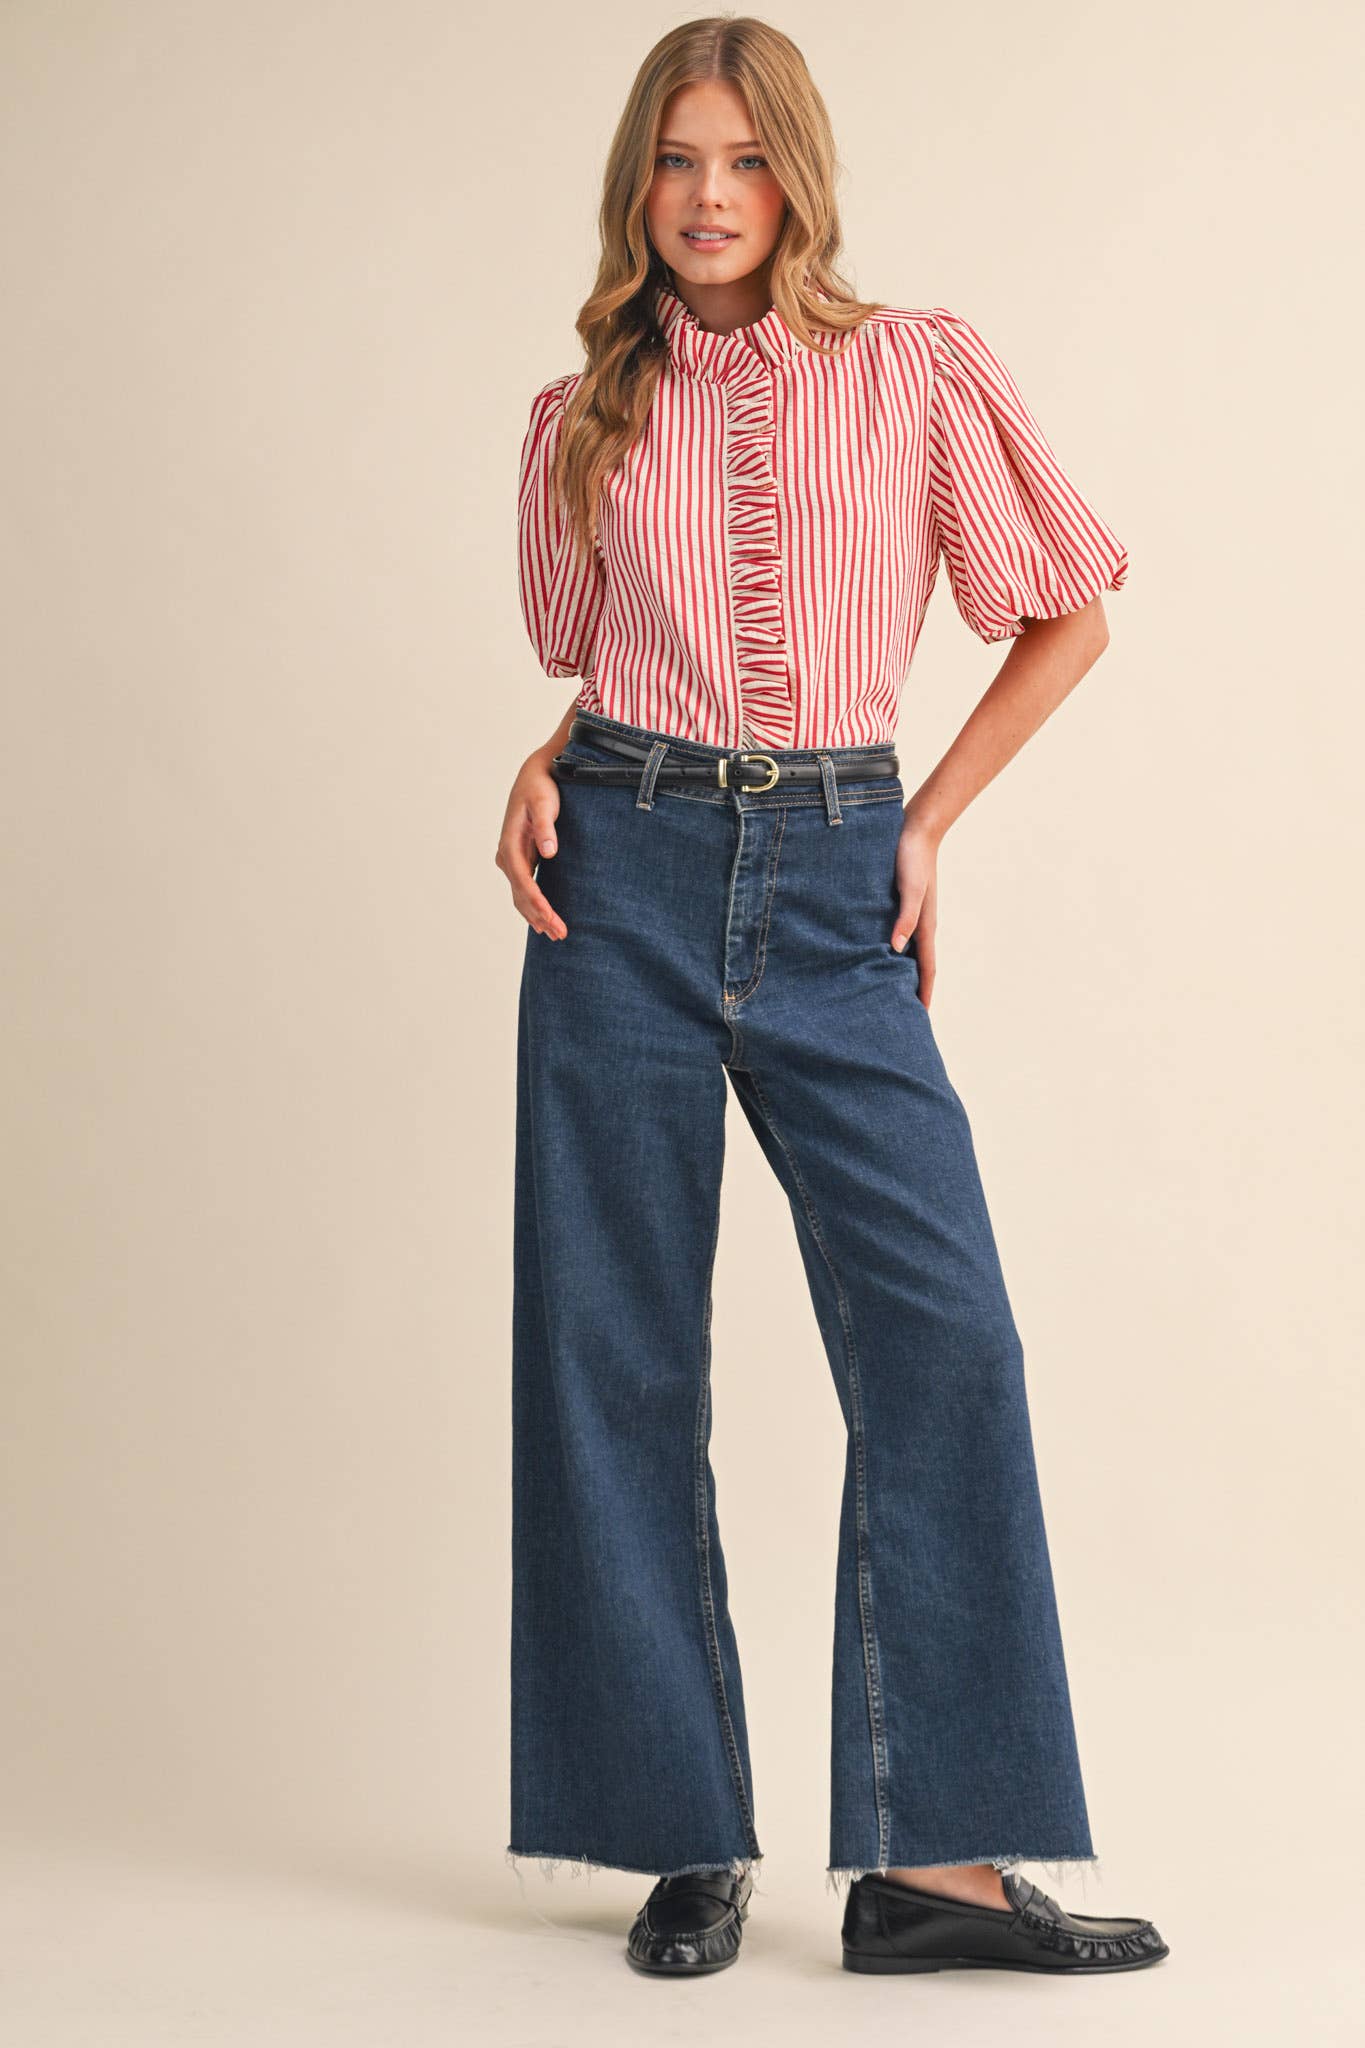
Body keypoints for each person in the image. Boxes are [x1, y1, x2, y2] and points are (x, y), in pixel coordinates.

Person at [495, 15, 1169, 1981]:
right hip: (614, 876)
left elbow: (1067, 613)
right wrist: (544, 755)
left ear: (796, 175)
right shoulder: (577, 416)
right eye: (673, 160)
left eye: (742, 159)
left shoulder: (916, 369)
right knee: (610, 1346)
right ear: (635, 185)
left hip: (832, 874)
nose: (707, 197)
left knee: (943, 1331)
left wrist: (923, 825)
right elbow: (609, 658)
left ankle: (929, 1867)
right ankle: (673, 1835)